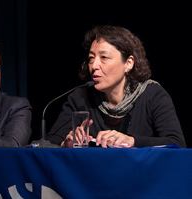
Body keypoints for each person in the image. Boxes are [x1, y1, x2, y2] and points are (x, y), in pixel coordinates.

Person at [46, 26, 186, 148]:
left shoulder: (152, 95)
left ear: (129, 63)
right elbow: (48, 143)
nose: (94, 66)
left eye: (104, 58)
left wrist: (131, 141)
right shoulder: (80, 97)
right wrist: (66, 144)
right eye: (91, 58)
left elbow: (176, 144)